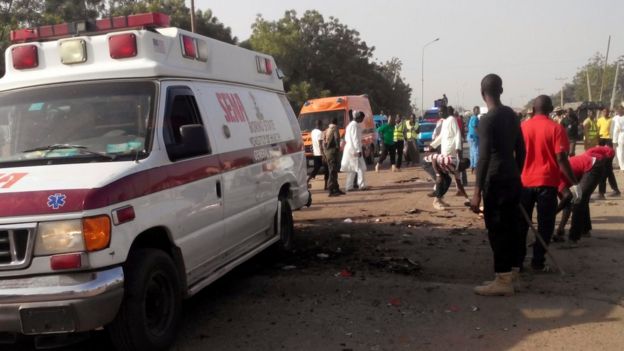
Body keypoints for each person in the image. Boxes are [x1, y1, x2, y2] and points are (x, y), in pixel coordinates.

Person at [470, 74, 525, 297]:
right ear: (501, 90)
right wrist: (516, 172)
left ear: (483, 94)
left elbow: (483, 158)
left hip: (495, 180)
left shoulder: (487, 120)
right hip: (512, 177)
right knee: (513, 228)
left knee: (497, 229)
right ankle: (512, 274)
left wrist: (476, 193)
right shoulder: (512, 115)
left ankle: (503, 279)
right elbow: (522, 149)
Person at [518, 95, 579, 273]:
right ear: (550, 109)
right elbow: (561, 158)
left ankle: (518, 263)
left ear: (533, 109)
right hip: (547, 183)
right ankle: (538, 262)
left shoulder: (522, 127)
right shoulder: (556, 128)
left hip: (525, 182)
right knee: (545, 225)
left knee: (522, 224)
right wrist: (574, 183)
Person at [554, 146, 614, 246]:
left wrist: (553, 213)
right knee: (581, 198)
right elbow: (567, 205)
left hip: (593, 166)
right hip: (593, 165)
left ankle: (573, 239)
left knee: (578, 200)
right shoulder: (557, 176)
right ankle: (585, 230)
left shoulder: (555, 177)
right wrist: (560, 228)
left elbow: (568, 196)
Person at [341, 111, 368, 192]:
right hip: (354, 150)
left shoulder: (351, 125)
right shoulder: (354, 126)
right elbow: (355, 139)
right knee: (360, 168)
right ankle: (362, 185)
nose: (362, 120)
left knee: (352, 169)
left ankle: (349, 187)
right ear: (359, 117)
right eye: (362, 118)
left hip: (351, 149)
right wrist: (358, 150)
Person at [596, 108, 620, 198]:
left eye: (607, 112)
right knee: (608, 169)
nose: (606, 113)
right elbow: (597, 131)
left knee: (604, 168)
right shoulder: (599, 120)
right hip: (601, 140)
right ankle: (615, 190)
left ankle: (601, 193)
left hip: (609, 140)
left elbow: (614, 131)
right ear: (602, 112)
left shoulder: (612, 120)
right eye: (604, 111)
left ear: (609, 112)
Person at [323, 117, 344, 197]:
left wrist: (324, 153)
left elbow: (323, 142)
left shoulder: (326, 130)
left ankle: (336, 188)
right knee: (332, 171)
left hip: (327, 153)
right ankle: (331, 190)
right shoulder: (335, 128)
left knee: (333, 170)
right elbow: (337, 138)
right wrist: (338, 148)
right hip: (333, 152)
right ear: (336, 122)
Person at [307, 119, 328, 188]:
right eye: (322, 125)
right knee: (327, 169)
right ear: (320, 125)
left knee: (316, 169)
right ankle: (326, 185)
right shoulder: (320, 133)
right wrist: (324, 155)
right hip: (321, 154)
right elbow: (320, 144)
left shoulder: (313, 132)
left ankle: (308, 180)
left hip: (315, 153)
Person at [468, 106, 480, 173]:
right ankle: (475, 167)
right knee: (476, 152)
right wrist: (479, 133)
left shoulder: (472, 118)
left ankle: (472, 166)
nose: (478, 111)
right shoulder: (475, 118)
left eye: (478, 110)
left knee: (472, 152)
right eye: (477, 110)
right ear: (474, 111)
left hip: (471, 137)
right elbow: (475, 127)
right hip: (474, 137)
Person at [613, 106, 624, 172]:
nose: (619, 111)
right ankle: (622, 166)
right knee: (620, 151)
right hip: (620, 135)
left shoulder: (617, 118)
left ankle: (622, 166)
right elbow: (615, 130)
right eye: (618, 110)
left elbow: (615, 130)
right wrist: (615, 140)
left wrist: (615, 140)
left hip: (621, 135)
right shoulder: (616, 118)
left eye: (621, 110)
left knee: (620, 151)